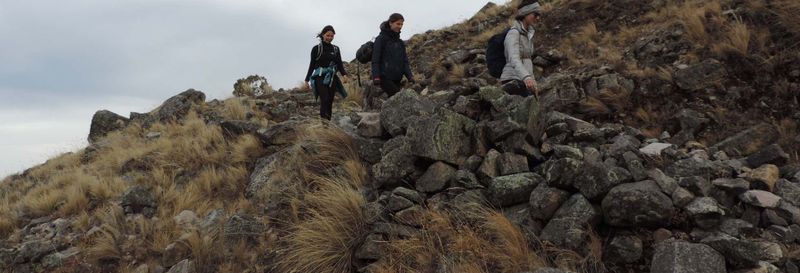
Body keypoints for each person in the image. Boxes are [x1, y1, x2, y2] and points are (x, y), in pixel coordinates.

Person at [305, 25, 348, 120]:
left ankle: (328, 124)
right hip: (320, 77)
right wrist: (306, 80)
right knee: (324, 99)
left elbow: (339, 63)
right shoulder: (316, 49)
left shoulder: (336, 49)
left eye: (332, 36)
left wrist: (344, 75)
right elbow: (312, 65)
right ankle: (323, 124)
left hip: (332, 77)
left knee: (330, 101)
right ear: (323, 35)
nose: (330, 38)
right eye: (327, 35)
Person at [500, 0, 542, 97]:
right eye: (535, 14)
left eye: (539, 15)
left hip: (524, 80)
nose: (538, 18)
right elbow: (514, 58)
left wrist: (533, 82)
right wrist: (526, 77)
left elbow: (528, 61)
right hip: (513, 80)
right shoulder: (514, 33)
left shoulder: (528, 35)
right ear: (525, 13)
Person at [372, 13, 415, 97]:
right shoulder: (380, 39)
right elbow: (375, 59)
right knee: (398, 98)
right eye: (398, 24)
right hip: (384, 78)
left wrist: (410, 76)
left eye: (401, 24)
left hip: (397, 78)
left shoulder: (400, 43)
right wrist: (376, 77)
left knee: (394, 102)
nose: (400, 26)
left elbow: (404, 61)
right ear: (390, 23)